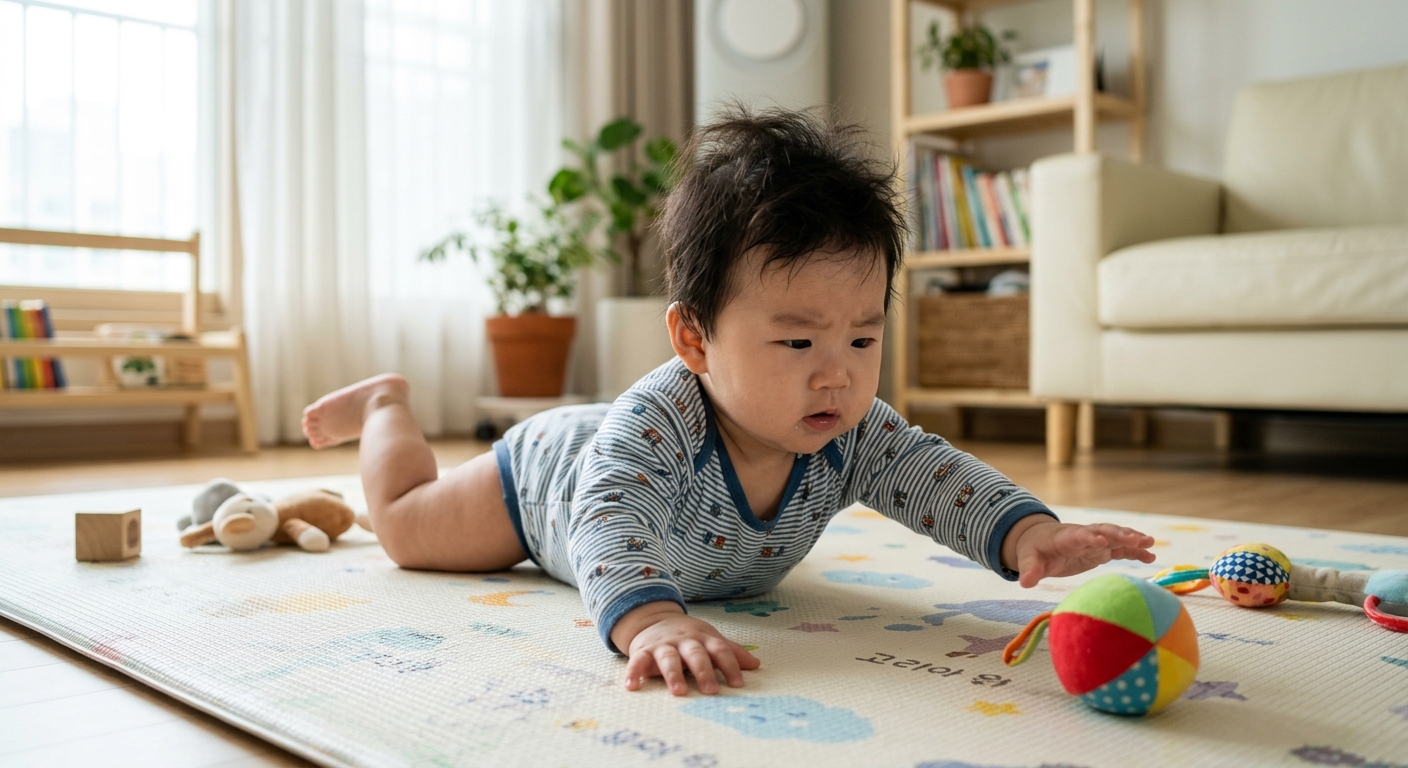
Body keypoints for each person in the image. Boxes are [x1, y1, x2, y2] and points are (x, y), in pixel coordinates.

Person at [301, 107, 1156, 698]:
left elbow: (935, 479)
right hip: (547, 480)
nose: (838, 377)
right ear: (694, 341)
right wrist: (653, 620)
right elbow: (605, 513)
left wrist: (1029, 533)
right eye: (797, 343)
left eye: (863, 340)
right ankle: (385, 406)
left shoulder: (849, 428)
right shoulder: (658, 422)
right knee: (408, 530)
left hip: (629, 497)